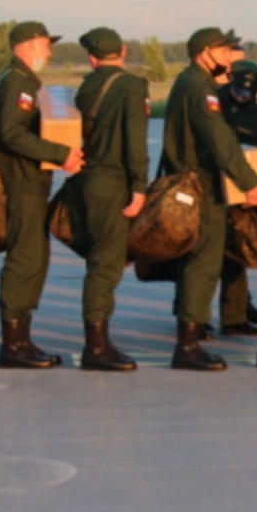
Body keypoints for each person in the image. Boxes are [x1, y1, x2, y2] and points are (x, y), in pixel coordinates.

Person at [158, 27, 257, 370]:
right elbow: (219, 139)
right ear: (204, 52)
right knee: (204, 265)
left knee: (200, 263)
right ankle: (188, 345)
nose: (226, 55)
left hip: (189, 182)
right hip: (202, 186)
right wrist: (249, 182)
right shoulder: (200, 87)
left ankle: (190, 337)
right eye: (221, 50)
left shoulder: (187, 82)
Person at [0, 20, 81, 368]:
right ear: (27, 44)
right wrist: (59, 153)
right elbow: (12, 134)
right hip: (21, 183)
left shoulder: (19, 80)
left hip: (30, 183)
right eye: (45, 44)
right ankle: (12, 346)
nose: (49, 51)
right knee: (24, 261)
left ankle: (22, 340)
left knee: (34, 259)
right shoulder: (17, 82)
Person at [70, 27, 148, 371]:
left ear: (92, 57)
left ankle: (98, 342)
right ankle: (97, 348)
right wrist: (140, 186)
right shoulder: (132, 87)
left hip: (90, 179)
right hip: (114, 181)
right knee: (105, 267)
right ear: (124, 51)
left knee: (102, 262)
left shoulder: (87, 87)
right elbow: (135, 141)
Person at [216, 58, 257, 335]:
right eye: (238, 88)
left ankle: (235, 315)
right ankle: (191, 317)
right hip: (213, 188)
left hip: (242, 192)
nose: (241, 95)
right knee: (202, 258)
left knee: (236, 253)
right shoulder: (213, 102)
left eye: (248, 92)